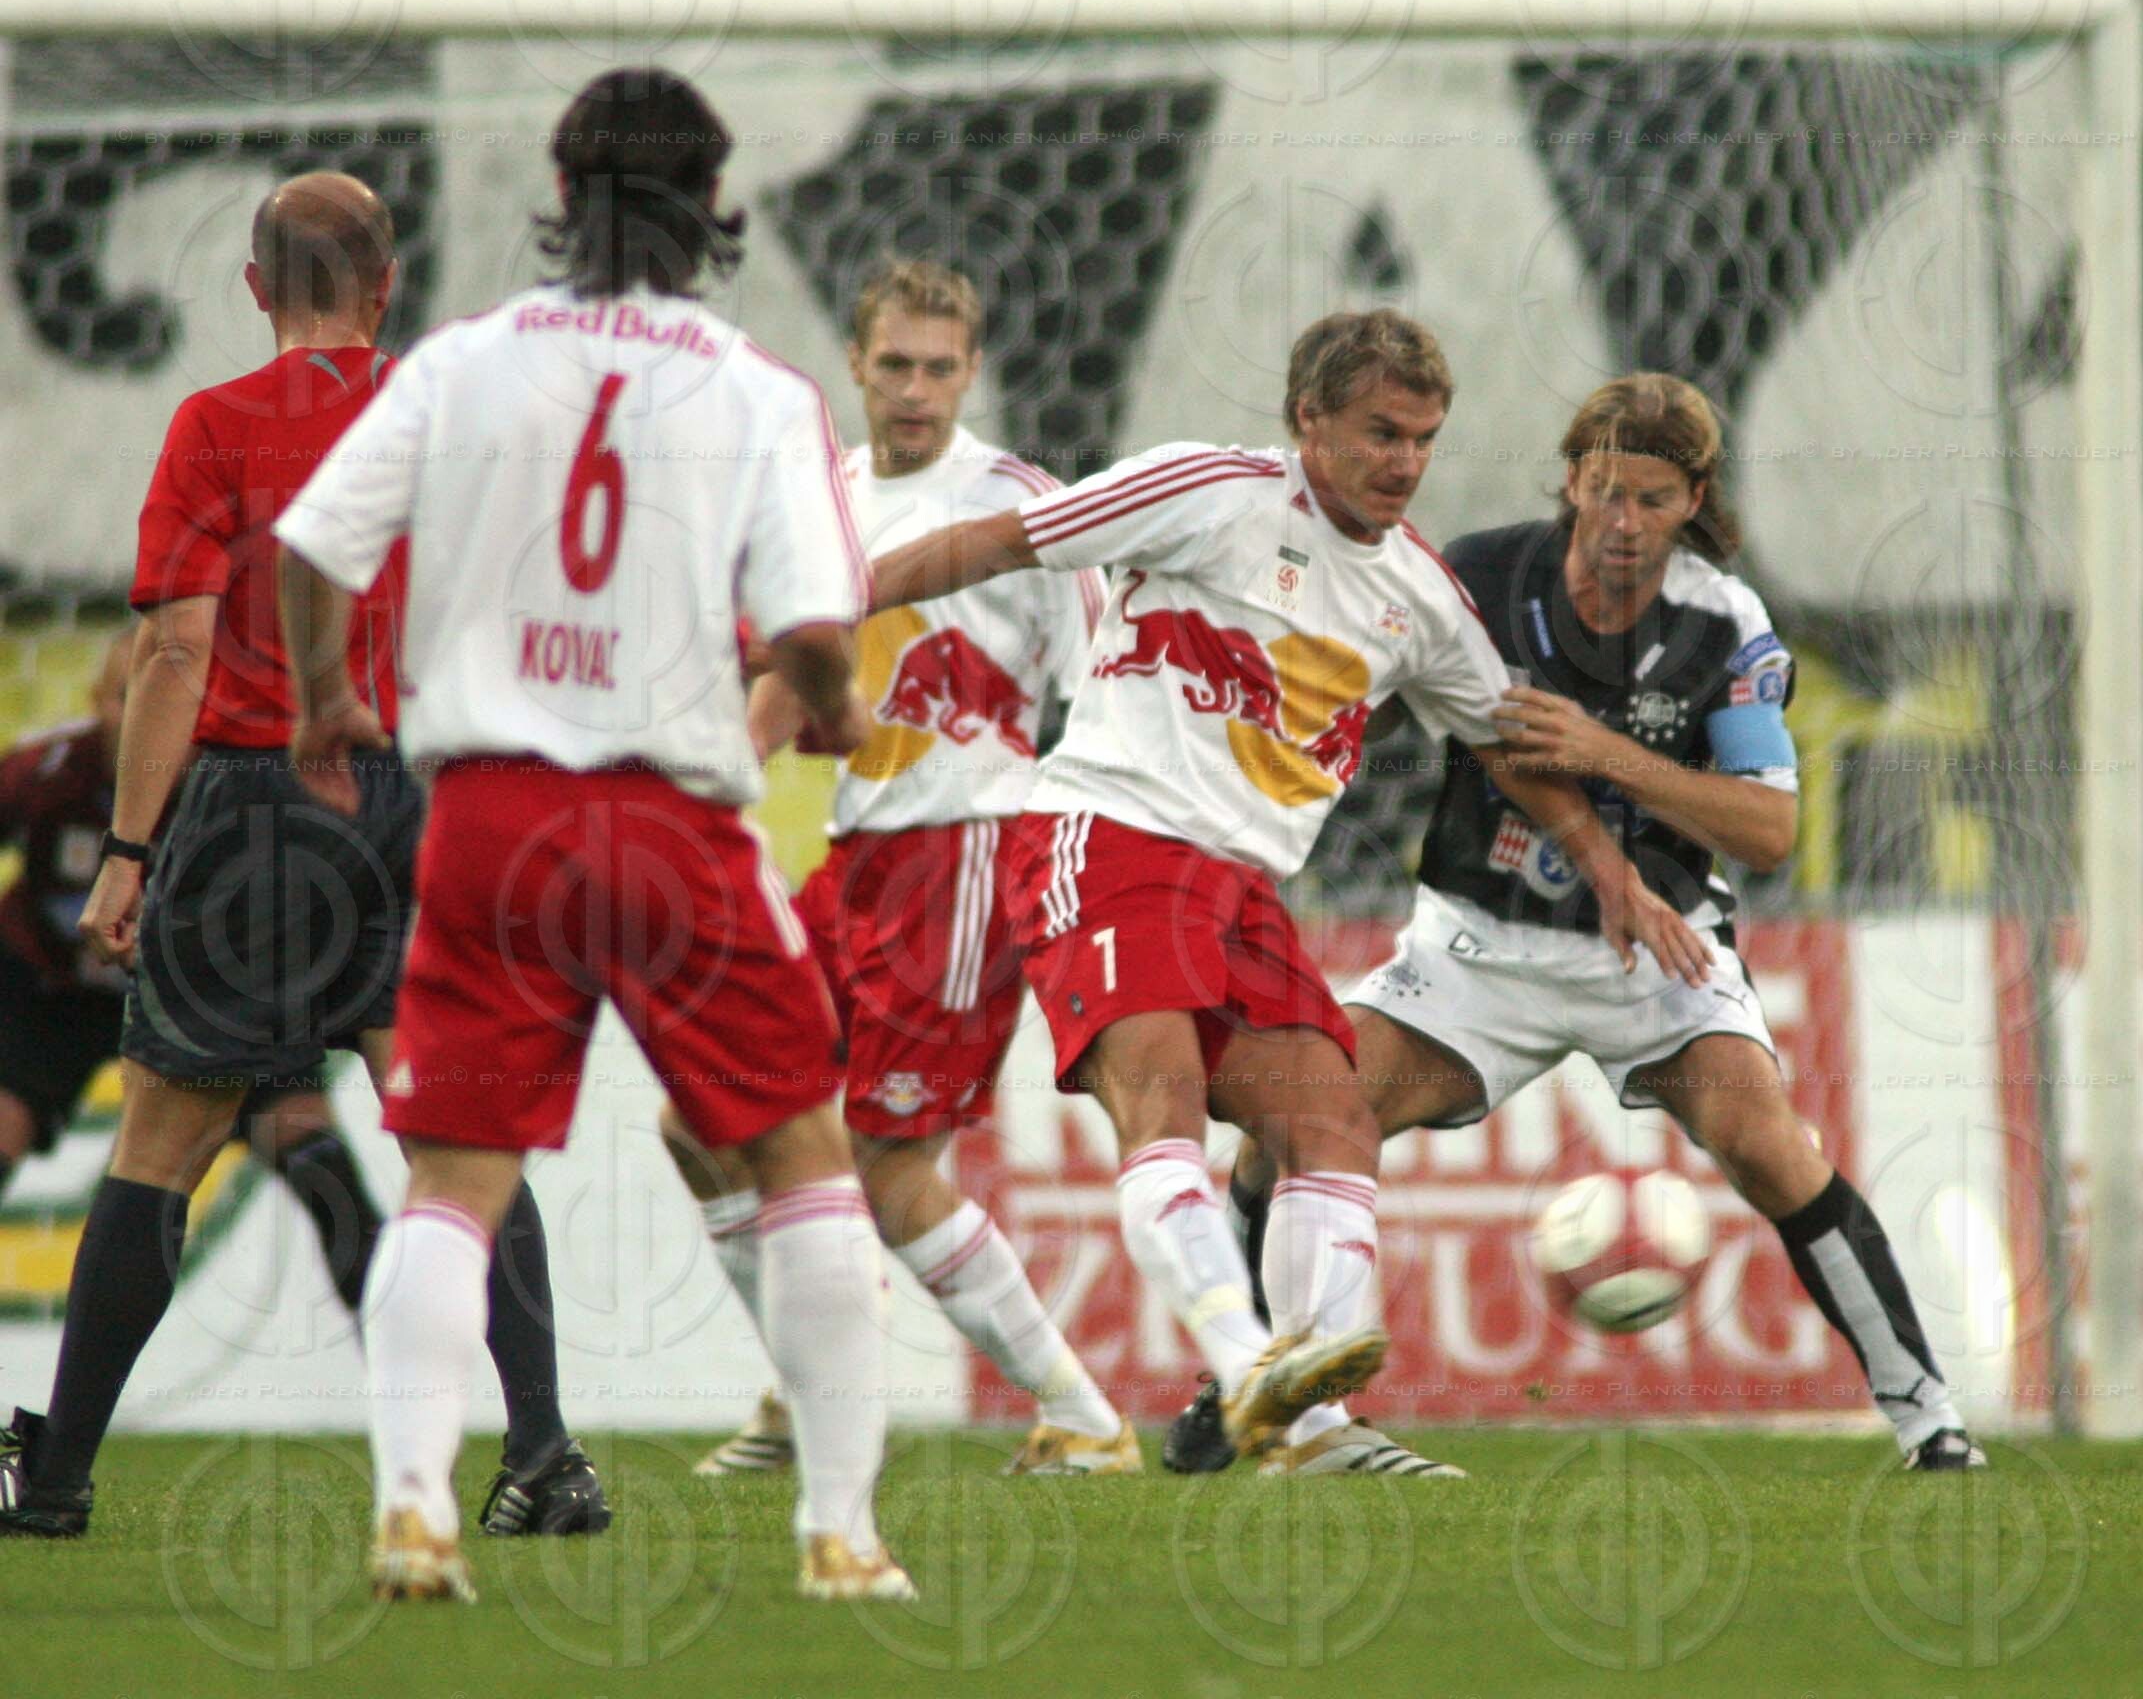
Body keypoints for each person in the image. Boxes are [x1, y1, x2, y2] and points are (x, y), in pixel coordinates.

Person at [867, 310, 1707, 1476]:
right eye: (1379, 432)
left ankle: (1317, 1428)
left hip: (1242, 888)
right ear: (1307, 420)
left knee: (1331, 1122)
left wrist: (1614, 874)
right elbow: (1009, 539)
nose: (1405, 462)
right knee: (1155, 1097)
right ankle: (1246, 1359)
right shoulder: (1204, 491)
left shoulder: (1417, 594)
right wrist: (827, 609)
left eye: (1423, 437)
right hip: (1109, 833)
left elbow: (1505, 744)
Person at [274, 68, 910, 1603]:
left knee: (457, 1175)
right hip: (668, 821)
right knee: (805, 1158)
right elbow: (816, 627)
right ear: (715, 203)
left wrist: (317, 703)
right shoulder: (757, 390)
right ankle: (839, 1532)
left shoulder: (464, 361)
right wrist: (820, 704)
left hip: (490, 819)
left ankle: (416, 1506)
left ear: (561, 200)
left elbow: (313, 543)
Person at [1179, 372, 1985, 1473]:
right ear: (1570, 479)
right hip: (1477, 947)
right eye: (1605, 492)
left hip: (1656, 953)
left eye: (1653, 500)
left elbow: (1767, 829)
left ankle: (1928, 1416)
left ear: (1693, 498)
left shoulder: (1723, 624)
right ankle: (1240, 1388)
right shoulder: (1475, 576)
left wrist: (1604, 752)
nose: (1623, 523)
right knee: (1300, 1115)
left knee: (1769, 1145)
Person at [0, 175, 604, 1542]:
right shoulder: (456, 420)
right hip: (428, 804)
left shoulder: (215, 428)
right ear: (387, 285)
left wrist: (129, 847)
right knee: (462, 1137)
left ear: (257, 290)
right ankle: (545, 1453)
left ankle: (59, 1473)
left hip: (252, 812)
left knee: (163, 1141)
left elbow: (171, 648)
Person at [683, 258, 1131, 1479]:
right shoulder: (822, 497)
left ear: (973, 369)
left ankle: (1083, 1416)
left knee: (885, 1171)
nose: (918, 388)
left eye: (942, 366)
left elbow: (1103, 694)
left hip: (969, 856)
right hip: (857, 854)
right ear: (858, 365)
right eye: (897, 364)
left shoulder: (1027, 505)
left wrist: (1085, 868)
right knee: (699, 1112)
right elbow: (784, 666)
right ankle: (800, 1386)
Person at [0, 629, 382, 1309]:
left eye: (174, 700)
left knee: (320, 1166)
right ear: (96, 704)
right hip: (54, 991)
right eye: (128, 698)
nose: (151, 716)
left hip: (206, 997)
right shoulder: (46, 772)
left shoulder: (240, 790)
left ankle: (407, 1398)